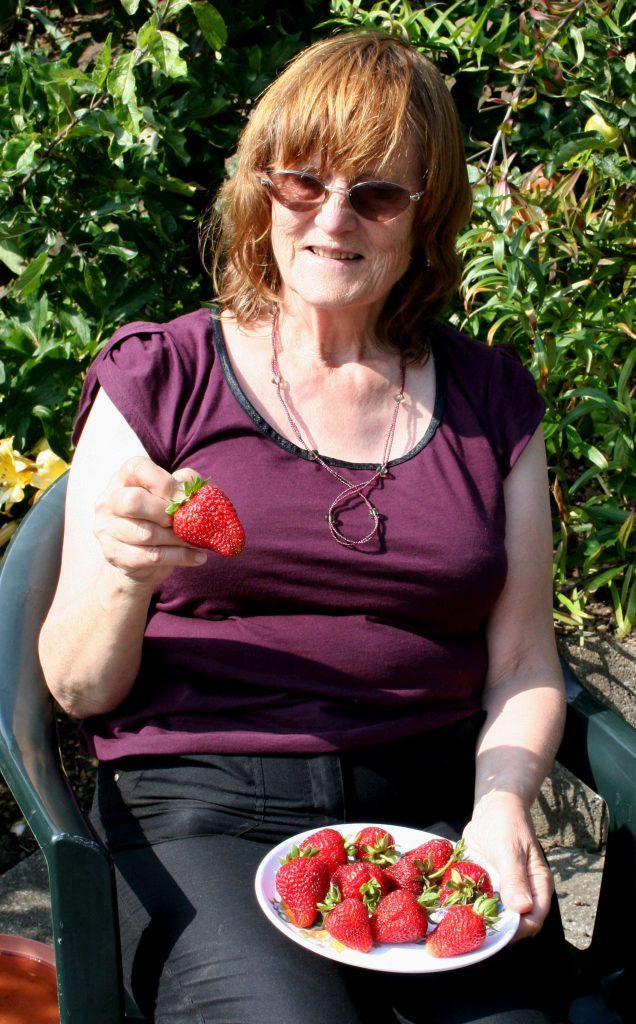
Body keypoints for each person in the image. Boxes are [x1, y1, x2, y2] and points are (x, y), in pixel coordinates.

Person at [39, 31, 568, 1024]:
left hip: (421, 820)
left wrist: (502, 802)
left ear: (426, 216)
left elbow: (525, 663)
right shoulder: (162, 377)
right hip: (199, 812)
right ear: (261, 187)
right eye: (302, 182)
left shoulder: (493, 401)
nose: (332, 218)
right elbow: (76, 686)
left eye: (376, 194)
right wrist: (124, 572)